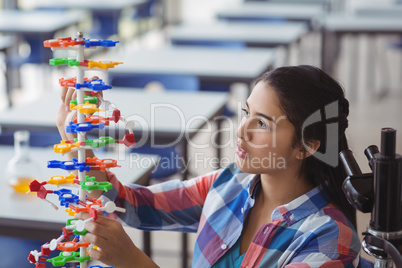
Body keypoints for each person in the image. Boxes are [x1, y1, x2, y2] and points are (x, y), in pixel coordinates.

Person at [57, 65, 361, 268]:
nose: (241, 131)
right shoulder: (232, 182)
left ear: (306, 145)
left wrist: (135, 261)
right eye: (246, 113)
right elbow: (136, 204)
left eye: (262, 123)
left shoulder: (328, 241)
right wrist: (76, 142)